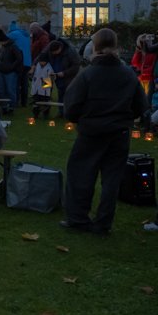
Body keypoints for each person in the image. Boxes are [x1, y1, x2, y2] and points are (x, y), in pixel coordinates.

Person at [61, 29, 148, 235]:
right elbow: (140, 105)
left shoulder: (88, 75)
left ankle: (78, 219)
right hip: (119, 134)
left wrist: (80, 119)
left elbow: (71, 106)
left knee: (80, 175)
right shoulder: (127, 74)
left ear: (95, 47)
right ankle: (102, 224)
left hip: (91, 133)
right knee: (112, 180)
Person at [35, 39, 80, 118]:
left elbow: (75, 66)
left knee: (65, 94)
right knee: (46, 91)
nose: (52, 54)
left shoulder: (70, 52)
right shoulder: (50, 47)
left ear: (59, 49)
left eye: (54, 52)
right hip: (50, 75)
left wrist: (65, 73)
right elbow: (41, 56)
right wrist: (34, 65)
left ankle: (67, 113)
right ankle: (51, 112)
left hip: (66, 77)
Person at [0, 30, 22, 115]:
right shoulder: (2, 47)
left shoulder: (13, 46)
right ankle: (4, 106)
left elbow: (19, 58)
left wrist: (11, 67)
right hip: (1, 71)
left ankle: (11, 108)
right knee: (2, 90)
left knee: (10, 91)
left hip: (10, 72)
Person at [7, 21, 32, 107]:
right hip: (28, 62)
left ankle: (16, 101)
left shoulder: (14, 34)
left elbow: (3, 39)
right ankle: (24, 102)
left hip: (20, 61)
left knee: (16, 82)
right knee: (24, 83)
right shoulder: (26, 34)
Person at [30, 56, 54, 120]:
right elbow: (31, 74)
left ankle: (45, 115)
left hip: (45, 83)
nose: (42, 63)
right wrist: (31, 73)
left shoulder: (49, 67)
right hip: (37, 84)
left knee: (45, 100)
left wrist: (52, 76)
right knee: (36, 100)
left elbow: (52, 77)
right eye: (41, 61)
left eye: (43, 62)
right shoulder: (36, 66)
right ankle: (36, 114)